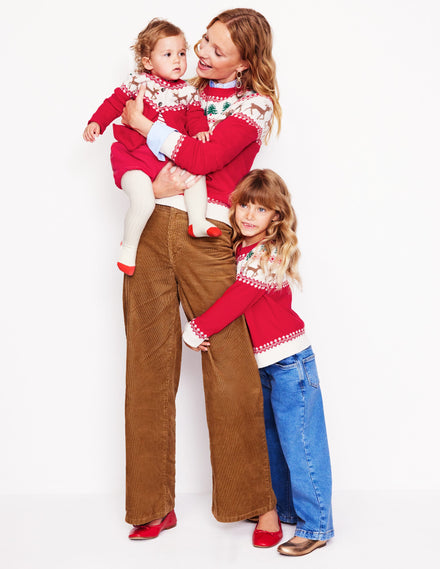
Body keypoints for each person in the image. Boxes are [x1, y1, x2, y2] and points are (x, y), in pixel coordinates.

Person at [119, 8, 284, 544]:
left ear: (246, 60)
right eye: (204, 42)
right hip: (151, 230)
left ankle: (257, 501)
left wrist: (149, 127)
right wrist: (151, 184)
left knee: (231, 367)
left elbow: (209, 155)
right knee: (147, 367)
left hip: (207, 237)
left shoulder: (254, 106)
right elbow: (127, 145)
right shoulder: (177, 88)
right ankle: (151, 506)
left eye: (217, 49)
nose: (202, 54)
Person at [183, 169, 334, 557]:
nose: (250, 215)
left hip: (289, 363)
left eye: (261, 209)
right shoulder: (239, 248)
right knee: (272, 443)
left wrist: (199, 328)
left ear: (276, 216)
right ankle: (285, 510)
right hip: (261, 365)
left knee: (301, 445)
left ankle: (317, 526)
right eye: (245, 205)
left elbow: (240, 298)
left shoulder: (270, 252)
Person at [83, 18, 219, 277]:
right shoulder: (138, 82)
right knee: (144, 202)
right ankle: (128, 248)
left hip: (165, 158)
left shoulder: (188, 91)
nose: (177, 60)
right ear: (148, 62)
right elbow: (114, 103)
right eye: (167, 55)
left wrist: (200, 129)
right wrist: (96, 122)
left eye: (181, 53)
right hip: (134, 157)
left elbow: (194, 116)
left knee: (196, 174)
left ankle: (197, 221)